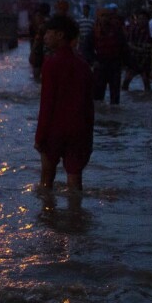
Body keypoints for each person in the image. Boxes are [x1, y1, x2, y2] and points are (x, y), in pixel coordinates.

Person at [35, 14, 95, 192]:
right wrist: (88, 136)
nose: (45, 37)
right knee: (75, 182)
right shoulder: (83, 66)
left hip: (54, 130)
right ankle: (76, 217)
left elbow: (47, 104)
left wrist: (40, 137)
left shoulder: (51, 64)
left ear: (60, 35)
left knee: (47, 180)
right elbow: (88, 106)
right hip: (79, 130)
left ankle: (47, 215)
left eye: (48, 33)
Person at [90, 3, 128, 105]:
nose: (105, 19)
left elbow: (124, 47)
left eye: (107, 16)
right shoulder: (94, 31)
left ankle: (114, 117)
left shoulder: (117, 30)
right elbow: (86, 49)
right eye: (103, 16)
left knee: (115, 97)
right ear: (99, 17)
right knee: (97, 97)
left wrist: (126, 63)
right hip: (100, 65)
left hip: (114, 65)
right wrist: (93, 61)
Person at [122, 8, 152, 92]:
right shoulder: (134, 30)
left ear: (147, 19)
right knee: (126, 82)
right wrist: (139, 49)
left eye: (144, 18)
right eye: (140, 19)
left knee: (146, 82)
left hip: (146, 60)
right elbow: (129, 43)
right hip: (134, 60)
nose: (141, 21)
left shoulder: (151, 30)